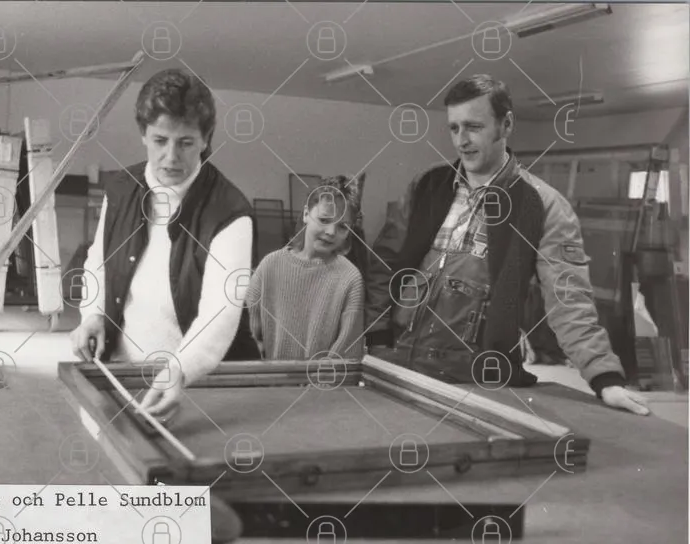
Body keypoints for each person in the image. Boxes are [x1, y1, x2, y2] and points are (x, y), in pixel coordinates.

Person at [364, 74, 649, 416]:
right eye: (454, 128)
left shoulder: (542, 205)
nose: (462, 140)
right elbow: (385, 265)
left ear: (507, 124)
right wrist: (377, 338)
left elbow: (569, 301)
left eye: (474, 127)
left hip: (474, 382)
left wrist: (604, 377)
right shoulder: (427, 184)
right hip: (396, 364)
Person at [69, 68, 259, 421]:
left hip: (201, 382)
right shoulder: (120, 189)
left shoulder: (230, 212)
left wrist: (180, 369)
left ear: (206, 139)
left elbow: (221, 310)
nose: (171, 157)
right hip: (122, 372)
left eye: (185, 143)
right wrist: (92, 313)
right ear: (143, 134)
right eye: (160, 140)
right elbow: (98, 260)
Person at [246, 174, 365, 360]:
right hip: (270, 378)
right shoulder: (270, 266)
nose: (331, 232)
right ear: (306, 214)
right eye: (324, 220)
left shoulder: (350, 279)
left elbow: (346, 354)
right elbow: (248, 338)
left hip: (323, 379)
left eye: (342, 227)